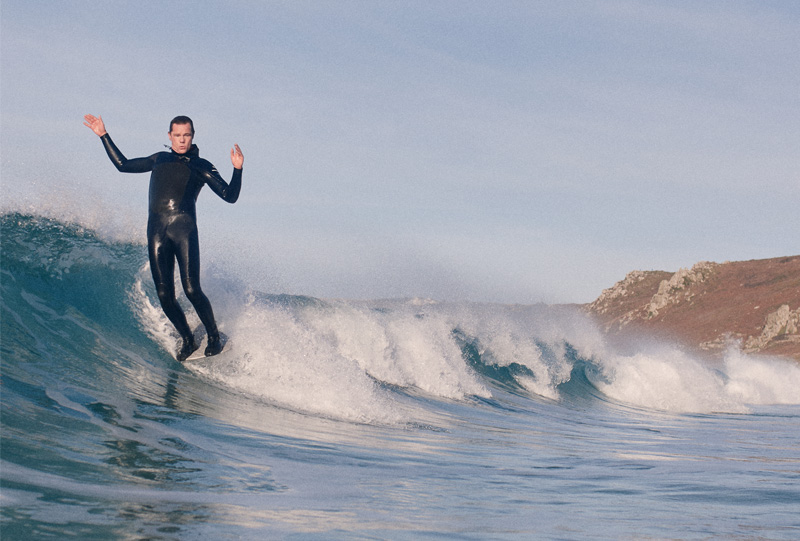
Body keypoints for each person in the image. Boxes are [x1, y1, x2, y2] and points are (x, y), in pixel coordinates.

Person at [84, 114, 243, 361]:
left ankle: (213, 336)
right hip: (156, 230)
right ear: (169, 136)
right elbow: (123, 165)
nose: (182, 140)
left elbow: (229, 195)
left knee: (191, 289)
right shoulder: (159, 159)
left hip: (184, 229)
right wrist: (104, 135)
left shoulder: (200, 165)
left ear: (192, 136)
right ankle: (188, 339)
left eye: (186, 135)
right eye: (177, 135)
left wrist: (237, 169)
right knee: (164, 296)